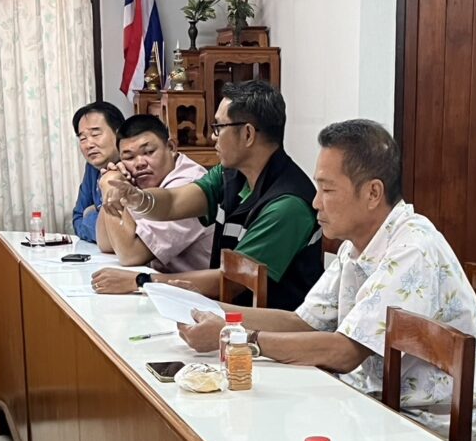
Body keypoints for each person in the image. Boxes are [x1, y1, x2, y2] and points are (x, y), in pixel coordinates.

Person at [177, 119, 476, 441]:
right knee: (258, 423)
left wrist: (240, 340)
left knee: (266, 438)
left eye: (327, 190)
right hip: (373, 404)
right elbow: (302, 321)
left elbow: (346, 352)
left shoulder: (413, 248)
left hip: (426, 426)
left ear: (373, 193)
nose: (316, 202)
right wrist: (211, 309)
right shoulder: (355, 246)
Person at [90, 80, 321, 309]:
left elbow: (233, 281)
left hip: (266, 324)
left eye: (219, 127)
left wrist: (141, 281)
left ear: (248, 134)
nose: (213, 137)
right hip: (225, 311)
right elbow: (173, 202)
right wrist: (135, 197)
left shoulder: (287, 205)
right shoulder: (229, 175)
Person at [96, 115, 213, 272]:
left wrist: (111, 186)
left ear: (171, 147)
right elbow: (106, 244)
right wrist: (111, 182)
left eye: (149, 152)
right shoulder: (139, 180)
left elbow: (130, 255)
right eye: (129, 157)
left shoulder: (190, 183)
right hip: (162, 281)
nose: (140, 163)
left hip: (196, 286)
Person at [72, 101, 125, 242]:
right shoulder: (92, 167)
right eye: (83, 138)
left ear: (118, 133)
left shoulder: (133, 166)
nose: (89, 145)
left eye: (95, 134)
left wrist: (90, 217)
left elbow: (122, 231)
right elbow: (77, 217)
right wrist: (100, 227)